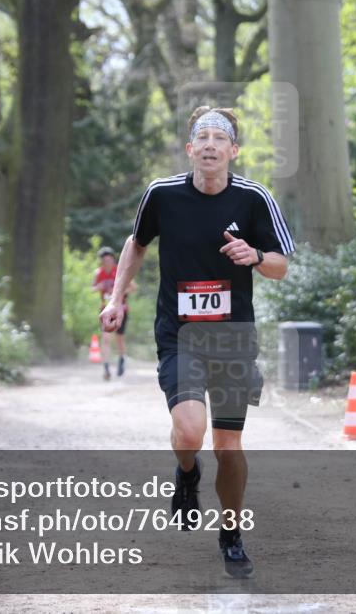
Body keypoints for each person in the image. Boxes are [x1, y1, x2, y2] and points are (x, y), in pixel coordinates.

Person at [100, 106, 294, 578]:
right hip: (180, 334)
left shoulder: (254, 199)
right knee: (189, 431)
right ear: (190, 149)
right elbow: (136, 243)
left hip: (232, 338)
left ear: (233, 150)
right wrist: (117, 297)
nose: (209, 144)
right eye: (201, 137)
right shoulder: (162, 195)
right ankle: (187, 472)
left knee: (229, 444)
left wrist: (254, 256)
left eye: (219, 137)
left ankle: (231, 533)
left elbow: (281, 264)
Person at [92, 246, 135, 380]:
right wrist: (97, 287)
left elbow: (133, 287)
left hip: (121, 309)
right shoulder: (99, 273)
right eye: (105, 260)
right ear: (102, 262)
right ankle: (106, 367)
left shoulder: (120, 271)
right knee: (105, 338)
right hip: (105, 309)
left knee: (119, 338)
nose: (108, 263)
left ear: (113, 260)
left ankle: (122, 359)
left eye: (110, 260)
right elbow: (92, 288)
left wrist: (120, 292)